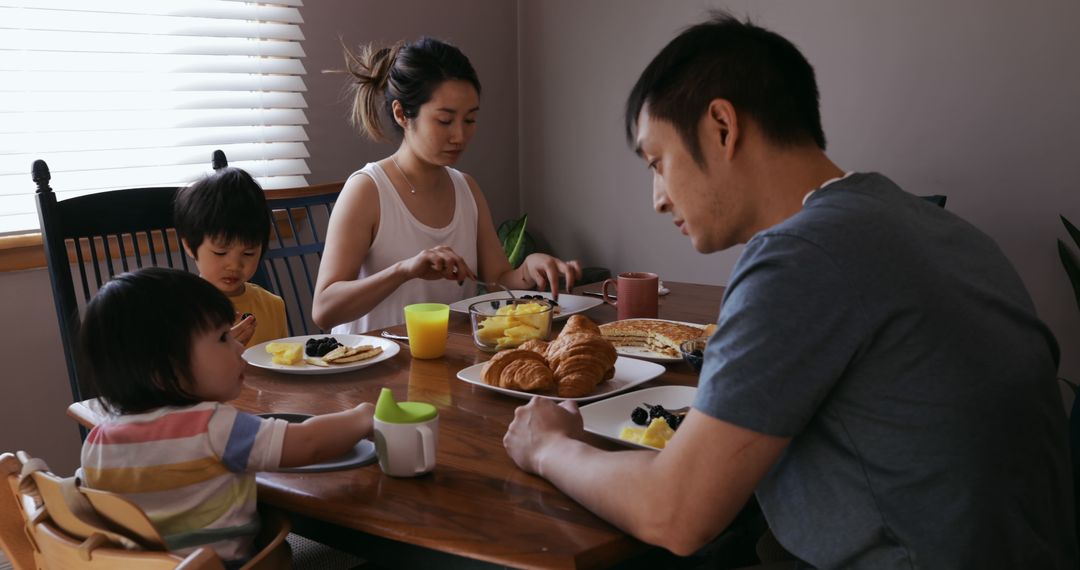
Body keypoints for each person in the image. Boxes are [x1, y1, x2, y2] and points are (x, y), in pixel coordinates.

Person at [503, 13, 1077, 569]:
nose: (657, 197)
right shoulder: (943, 231)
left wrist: (550, 446)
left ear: (722, 127)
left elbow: (674, 513)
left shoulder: (798, 257)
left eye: (658, 161)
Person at [77, 267, 374, 565]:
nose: (239, 346)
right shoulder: (213, 427)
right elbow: (309, 442)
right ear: (164, 371)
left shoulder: (97, 443)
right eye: (222, 338)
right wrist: (361, 418)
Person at [313, 37, 581, 333]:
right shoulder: (367, 190)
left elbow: (499, 281)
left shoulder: (466, 189)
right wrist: (405, 270)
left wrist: (529, 269)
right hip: (374, 368)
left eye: (470, 120)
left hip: (449, 364)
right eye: (444, 120)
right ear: (402, 114)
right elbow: (324, 310)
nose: (460, 136)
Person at [174, 166, 286, 347]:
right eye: (220, 252)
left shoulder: (273, 306)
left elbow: (282, 367)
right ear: (189, 245)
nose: (234, 265)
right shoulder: (180, 311)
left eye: (248, 253)